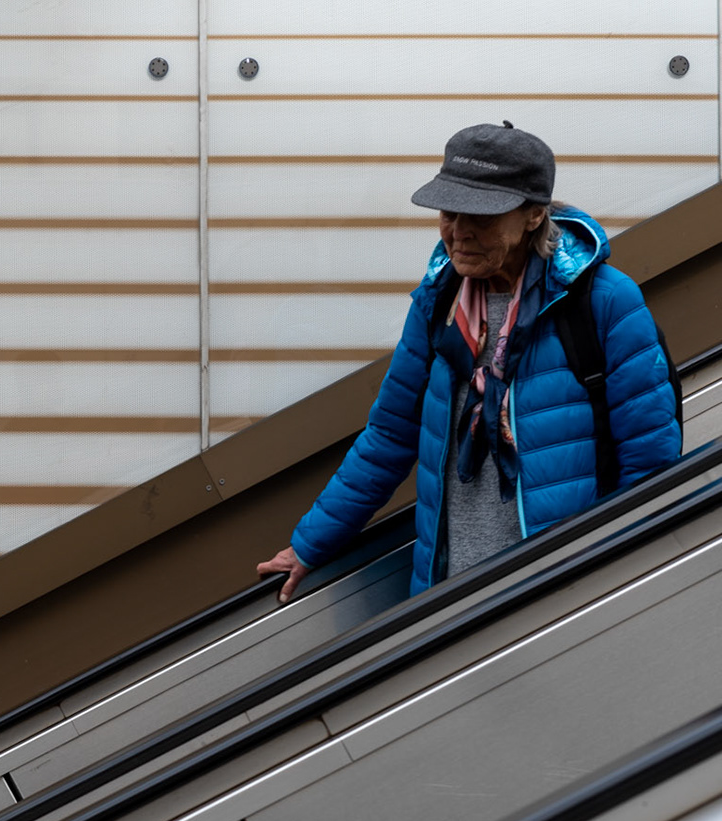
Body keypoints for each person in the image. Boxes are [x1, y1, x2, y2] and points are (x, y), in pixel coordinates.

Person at [258, 122, 681, 603]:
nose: (459, 232)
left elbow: (650, 460)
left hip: (562, 589)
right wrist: (309, 546)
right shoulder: (438, 303)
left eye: (480, 215)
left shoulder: (602, 301)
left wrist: (608, 585)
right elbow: (390, 436)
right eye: (449, 213)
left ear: (533, 215)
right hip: (452, 590)